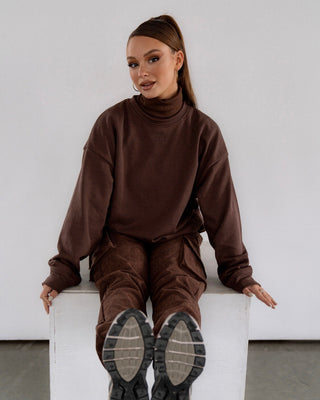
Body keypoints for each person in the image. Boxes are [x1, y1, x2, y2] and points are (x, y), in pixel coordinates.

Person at [40, 14, 277, 400]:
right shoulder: (112, 124)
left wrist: (239, 271)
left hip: (176, 238)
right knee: (122, 281)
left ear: (178, 60)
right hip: (118, 238)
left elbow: (221, 208)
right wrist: (63, 267)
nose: (141, 73)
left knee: (178, 283)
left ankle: (173, 369)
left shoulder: (203, 132)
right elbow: (89, 202)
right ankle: (125, 364)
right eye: (133, 64)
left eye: (152, 59)